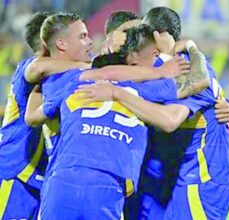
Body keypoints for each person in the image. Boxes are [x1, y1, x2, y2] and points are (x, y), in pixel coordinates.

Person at [25, 24, 209, 219]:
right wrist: (191, 47)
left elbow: (32, 117)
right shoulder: (144, 91)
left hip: (63, 178)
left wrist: (37, 87)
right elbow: (200, 79)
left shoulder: (73, 83)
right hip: (109, 183)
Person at [130, 7, 229, 220]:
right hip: (181, 177)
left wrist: (120, 93)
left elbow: (171, 120)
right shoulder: (173, 64)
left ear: (157, 35)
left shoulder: (187, 67)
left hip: (201, 179)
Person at [0, 12, 53, 220]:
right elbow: (38, 68)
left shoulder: (59, 75)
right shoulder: (29, 67)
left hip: (42, 179)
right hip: (15, 173)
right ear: (45, 40)